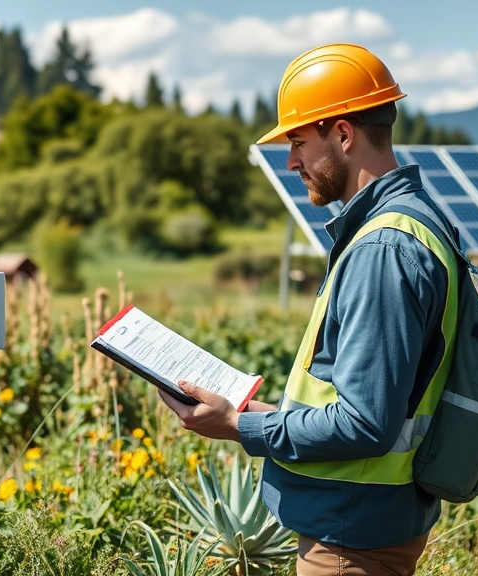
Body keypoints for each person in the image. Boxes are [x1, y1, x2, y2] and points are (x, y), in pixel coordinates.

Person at [158, 44, 461, 576]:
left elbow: (366, 423)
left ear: (344, 135)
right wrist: (255, 413)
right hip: (365, 527)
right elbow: (373, 402)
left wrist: (237, 426)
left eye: (298, 141)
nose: (291, 160)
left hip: (349, 541)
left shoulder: (382, 248)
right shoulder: (417, 222)